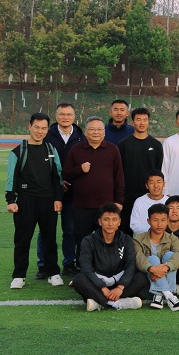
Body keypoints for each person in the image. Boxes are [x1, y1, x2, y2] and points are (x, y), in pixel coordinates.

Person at [6, 113, 65, 289]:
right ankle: (19, 275)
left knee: (50, 239)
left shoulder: (51, 150)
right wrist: (11, 200)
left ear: (48, 130)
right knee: (22, 239)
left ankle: (53, 273)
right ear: (29, 127)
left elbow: (58, 176)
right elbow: (11, 178)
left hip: (48, 201)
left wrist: (58, 198)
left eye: (44, 128)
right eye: (37, 127)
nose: (40, 131)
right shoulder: (18, 151)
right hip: (26, 201)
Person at [63, 116, 124, 262]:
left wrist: (119, 201)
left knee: (106, 240)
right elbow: (65, 174)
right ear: (86, 131)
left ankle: (105, 268)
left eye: (99, 129)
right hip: (81, 206)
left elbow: (119, 176)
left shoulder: (113, 149)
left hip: (106, 207)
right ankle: (83, 268)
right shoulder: (76, 150)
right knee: (82, 240)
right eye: (92, 129)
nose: (95, 132)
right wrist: (80, 169)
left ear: (104, 131)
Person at [72, 204, 146, 311]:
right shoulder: (88, 241)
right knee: (78, 279)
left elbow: (131, 265)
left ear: (119, 222)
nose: (110, 223)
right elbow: (86, 267)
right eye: (106, 219)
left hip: (119, 282)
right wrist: (102, 287)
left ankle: (99, 302)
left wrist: (120, 287)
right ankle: (115, 303)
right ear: (100, 221)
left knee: (141, 278)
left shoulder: (126, 239)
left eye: (114, 219)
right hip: (97, 282)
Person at [41, 102, 85, 277]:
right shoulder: (47, 136)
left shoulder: (82, 137)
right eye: (62, 114)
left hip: (73, 192)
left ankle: (69, 263)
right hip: (50, 191)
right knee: (45, 230)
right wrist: (58, 182)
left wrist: (69, 180)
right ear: (56, 115)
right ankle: (44, 265)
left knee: (70, 230)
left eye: (69, 114)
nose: (65, 117)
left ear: (74, 117)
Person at [117, 107, 163, 233]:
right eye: (138, 119)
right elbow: (118, 171)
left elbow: (158, 170)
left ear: (148, 122)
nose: (142, 123)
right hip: (128, 195)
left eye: (145, 120)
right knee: (125, 229)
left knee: (152, 229)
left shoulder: (156, 145)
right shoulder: (123, 144)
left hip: (149, 194)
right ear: (132, 122)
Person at [133, 204, 179, 311]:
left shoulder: (172, 238)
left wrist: (166, 268)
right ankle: (169, 295)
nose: (159, 224)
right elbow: (138, 259)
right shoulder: (138, 239)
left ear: (167, 221)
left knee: (170, 255)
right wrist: (152, 269)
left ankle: (158, 296)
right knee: (152, 259)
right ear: (148, 221)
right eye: (155, 220)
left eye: (163, 220)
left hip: (164, 274)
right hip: (148, 279)